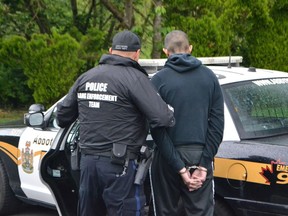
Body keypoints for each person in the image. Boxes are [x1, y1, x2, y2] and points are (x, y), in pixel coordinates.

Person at [56, 30, 175, 216]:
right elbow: (162, 118)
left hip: (87, 164)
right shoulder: (135, 78)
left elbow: (62, 117)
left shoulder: (86, 77)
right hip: (120, 166)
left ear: (110, 50)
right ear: (137, 54)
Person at [149, 30, 224, 216]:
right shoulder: (209, 77)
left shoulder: (158, 81)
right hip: (200, 154)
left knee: (166, 211)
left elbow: (156, 129)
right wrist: (204, 165)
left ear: (166, 51)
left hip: (167, 157)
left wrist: (179, 168)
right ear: (190, 48)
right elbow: (217, 125)